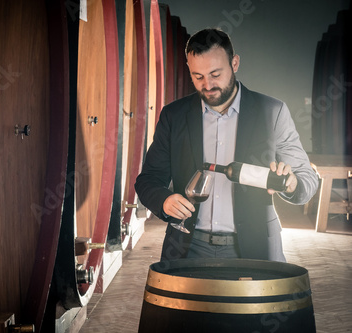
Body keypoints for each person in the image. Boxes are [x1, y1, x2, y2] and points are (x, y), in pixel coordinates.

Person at [135, 28, 318, 262]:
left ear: (235, 63)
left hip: (255, 248)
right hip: (188, 248)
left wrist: (292, 185)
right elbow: (147, 180)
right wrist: (164, 200)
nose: (207, 84)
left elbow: (307, 179)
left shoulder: (272, 112)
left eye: (215, 74)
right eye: (197, 76)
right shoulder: (174, 115)